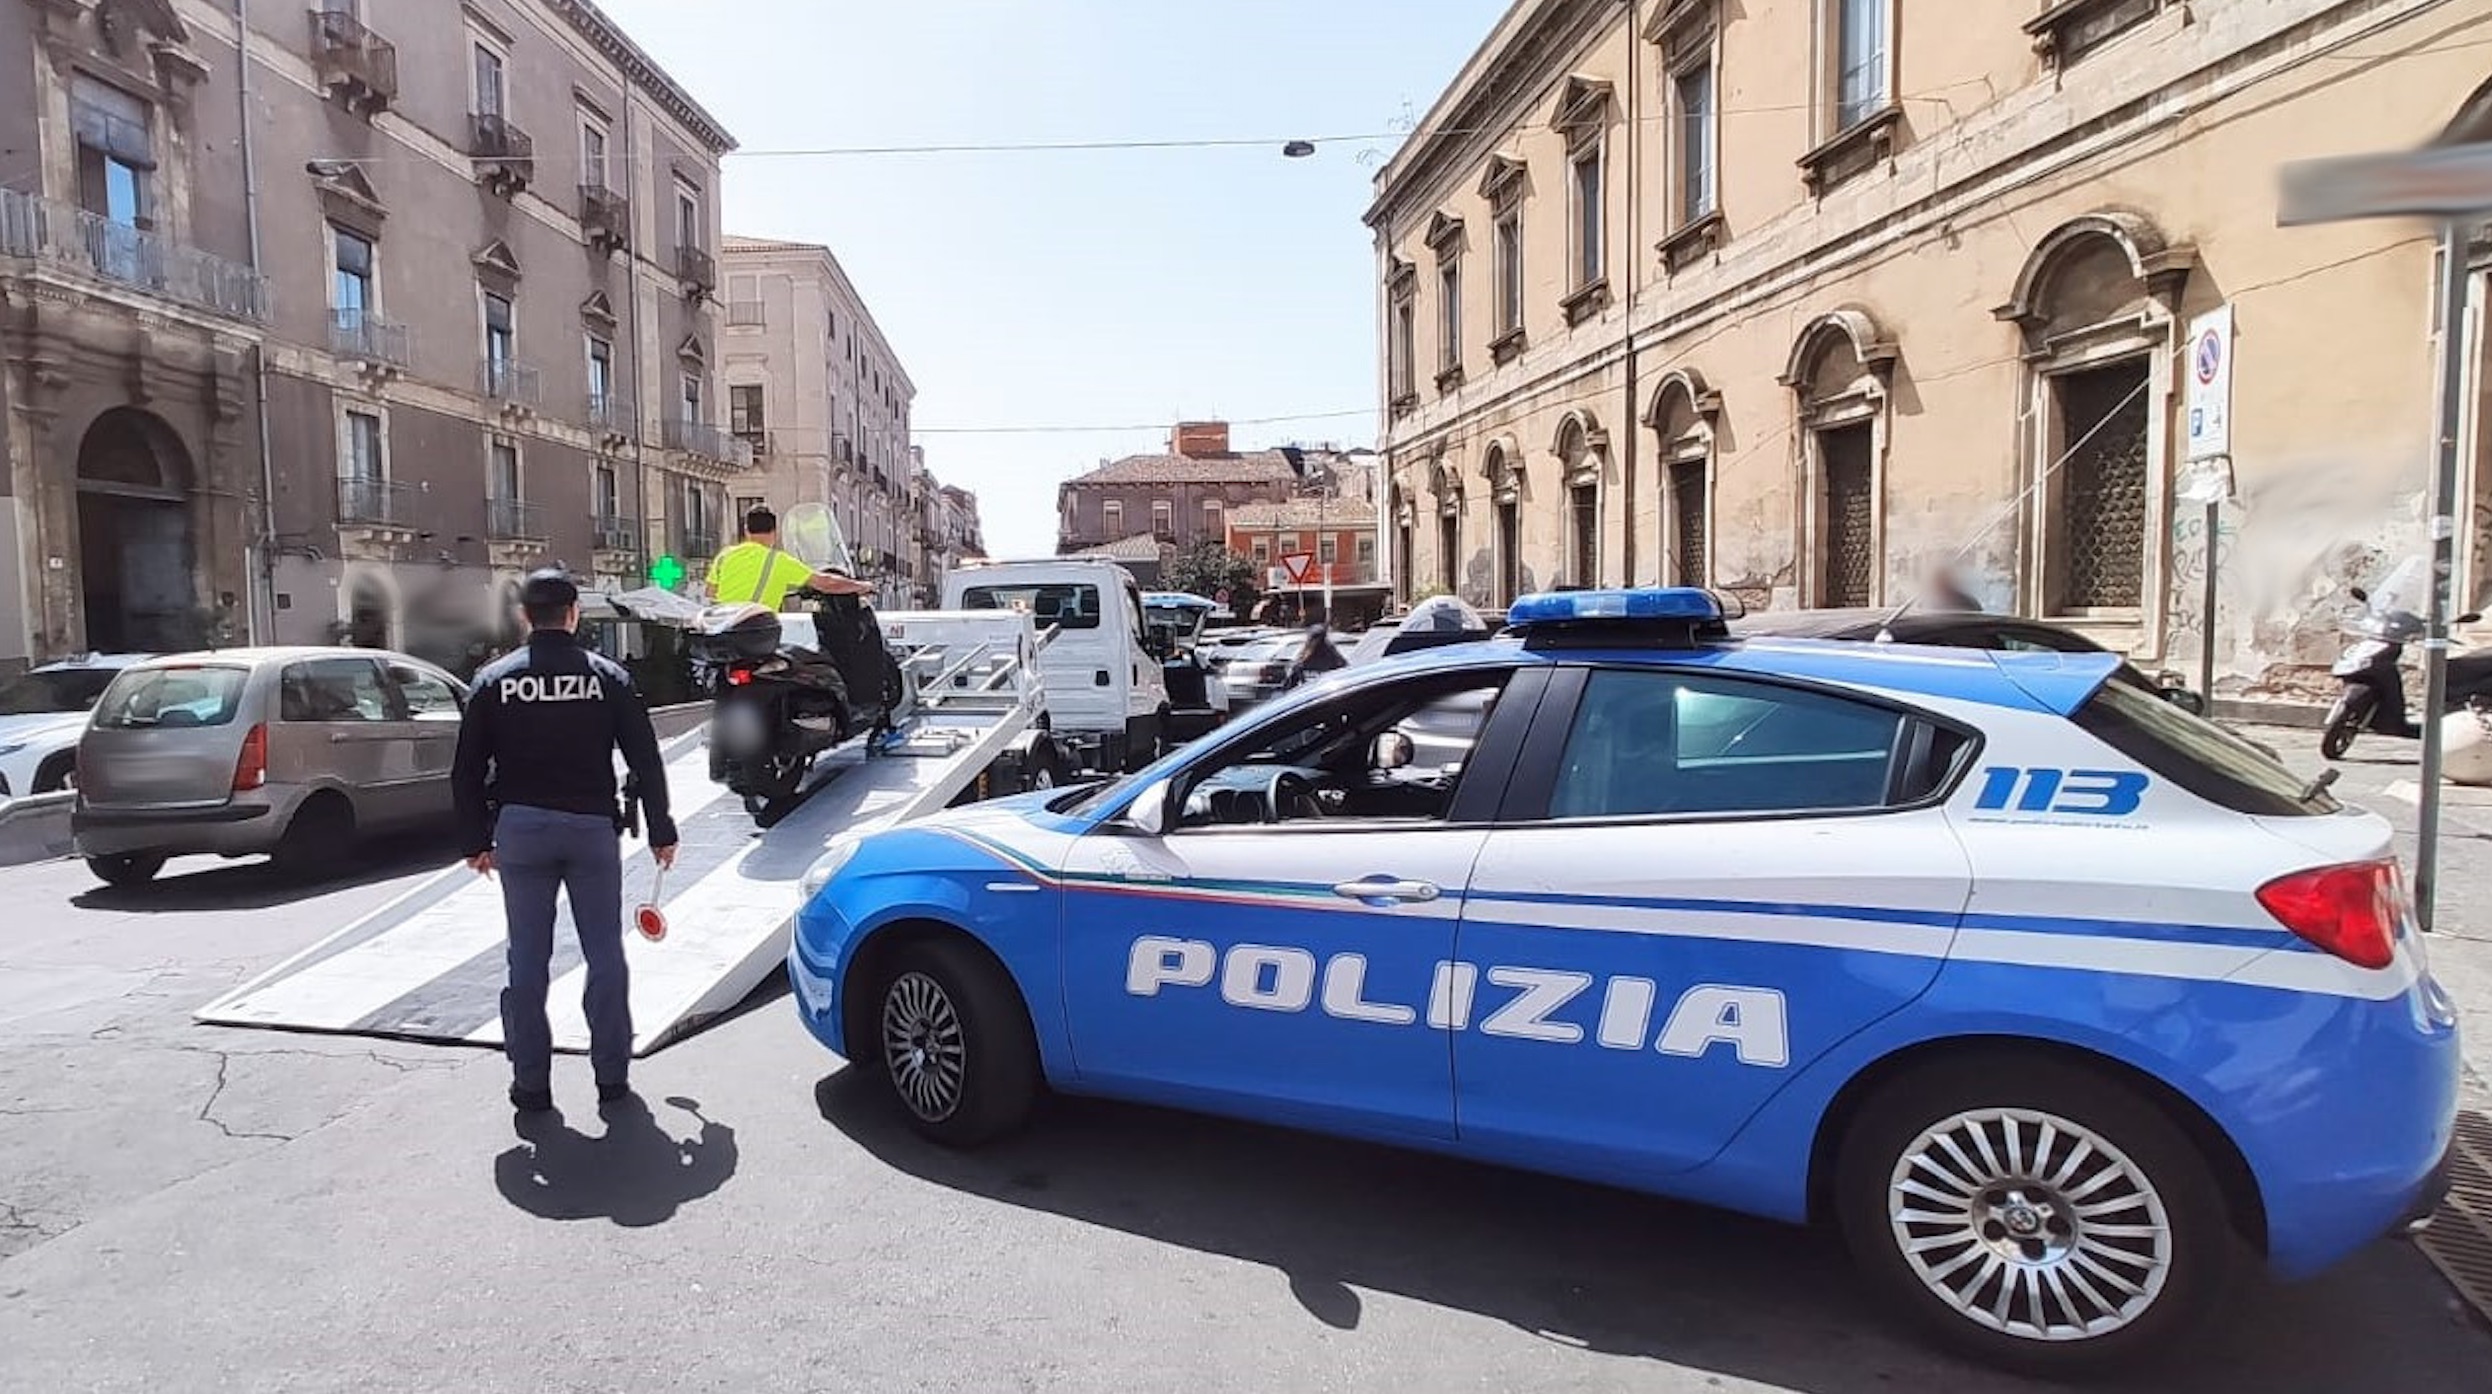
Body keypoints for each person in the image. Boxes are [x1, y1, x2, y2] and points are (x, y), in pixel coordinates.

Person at [453, 569, 680, 1114]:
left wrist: (474, 840)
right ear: (574, 613)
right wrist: (661, 829)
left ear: (525, 616)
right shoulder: (609, 678)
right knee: (605, 952)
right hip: (590, 830)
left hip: (521, 832)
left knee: (527, 959)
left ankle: (531, 1084)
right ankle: (611, 1078)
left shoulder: (494, 680)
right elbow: (644, 759)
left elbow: (465, 771)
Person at [705, 506, 875, 611]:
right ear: (774, 532)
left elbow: (710, 593)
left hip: (722, 633)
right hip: (755, 633)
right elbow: (826, 583)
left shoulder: (724, 556)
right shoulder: (778, 561)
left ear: (746, 530)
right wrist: (861, 586)